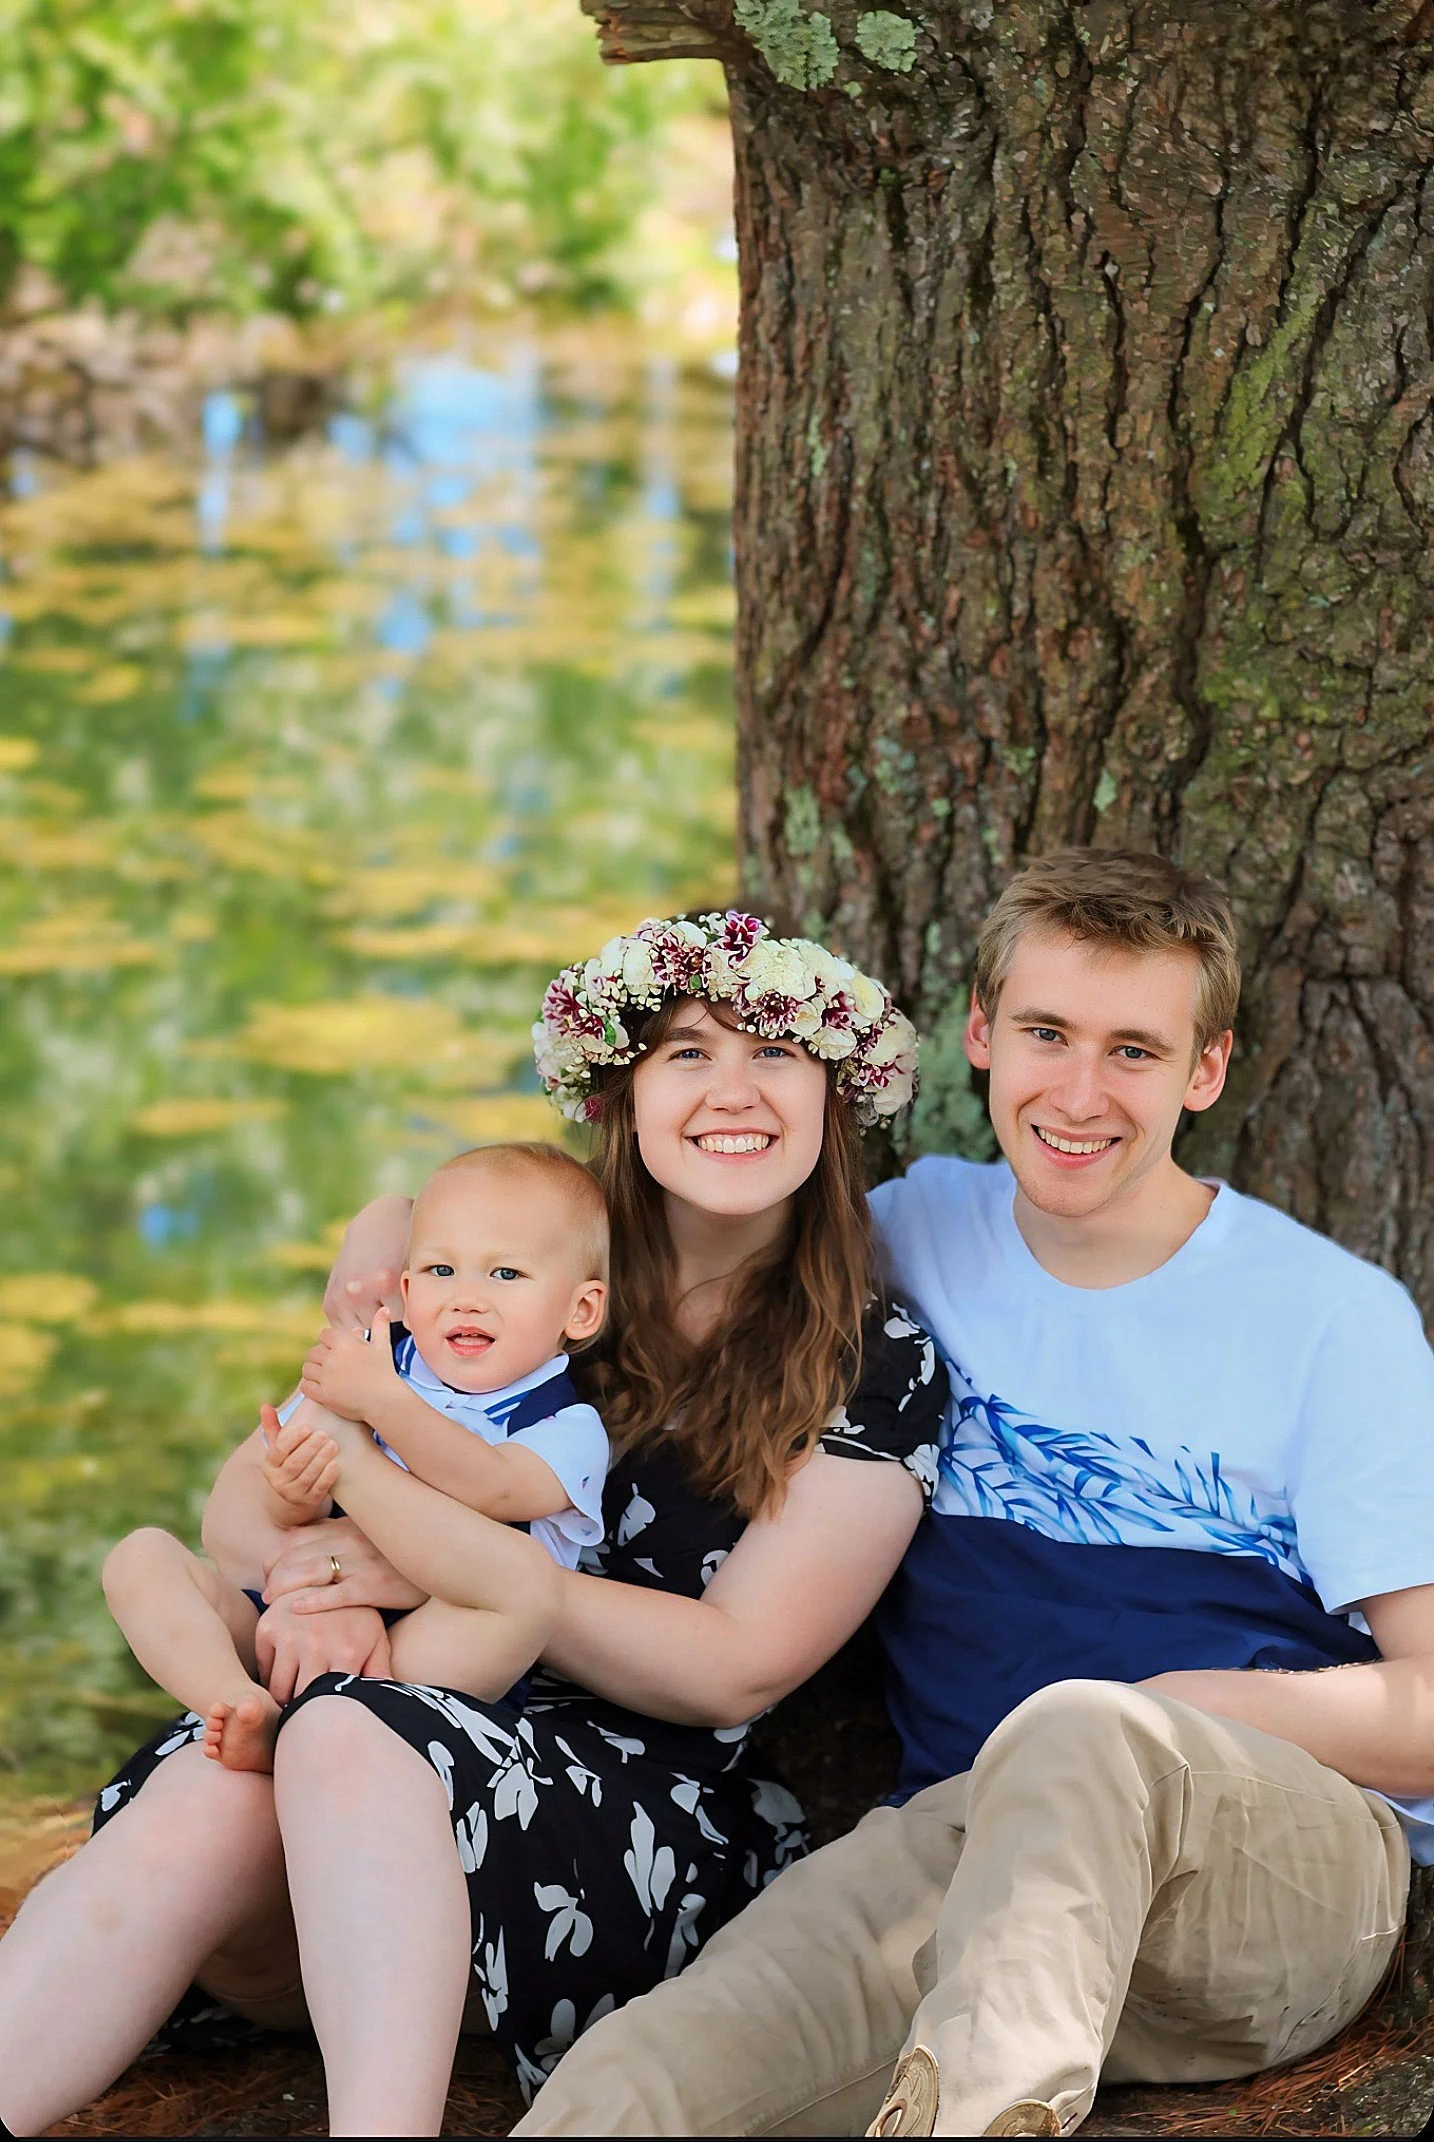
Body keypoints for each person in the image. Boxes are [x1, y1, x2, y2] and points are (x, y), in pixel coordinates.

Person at [511, 848, 1434, 2141]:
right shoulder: (905, 1234)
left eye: (1133, 1049)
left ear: (1204, 1070)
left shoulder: (1330, 1319)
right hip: (961, 1843)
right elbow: (670, 1236)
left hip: (1267, 1857)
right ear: (979, 1035)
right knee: (635, 2080)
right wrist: (407, 1235)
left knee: (1078, 1738)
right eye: (1046, 1032)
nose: (1077, 1089)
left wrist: (1162, 1713)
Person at [0, 909, 946, 2140]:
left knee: (339, 1732)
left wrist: (428, 1562)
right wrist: (315, 1563)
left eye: (775, 1053)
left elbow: (737, 1664)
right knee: (226, 1775)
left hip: (626, 1795)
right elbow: (241, 1522)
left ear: (836, 1095)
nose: (735, 1089)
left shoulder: (873, 1359)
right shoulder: (490, 1269)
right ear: (618, 1093)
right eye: (687, 1053)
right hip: (365, 1696)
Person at [100, 1143, 610, 1772]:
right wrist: (293, 1487)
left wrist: (380, 1407)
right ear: (403, 1286)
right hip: (289, 1615)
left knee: (523, 1594)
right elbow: (277, 1515)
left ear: (580, 1310)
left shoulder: (564, 1424)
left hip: (426, 1652)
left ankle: (350, 1720)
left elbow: (496, 1490)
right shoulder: (373, 1359)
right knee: (141, 1557)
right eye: (439, 1272)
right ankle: (236, 1703)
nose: (466, 1298)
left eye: (505, 1274)